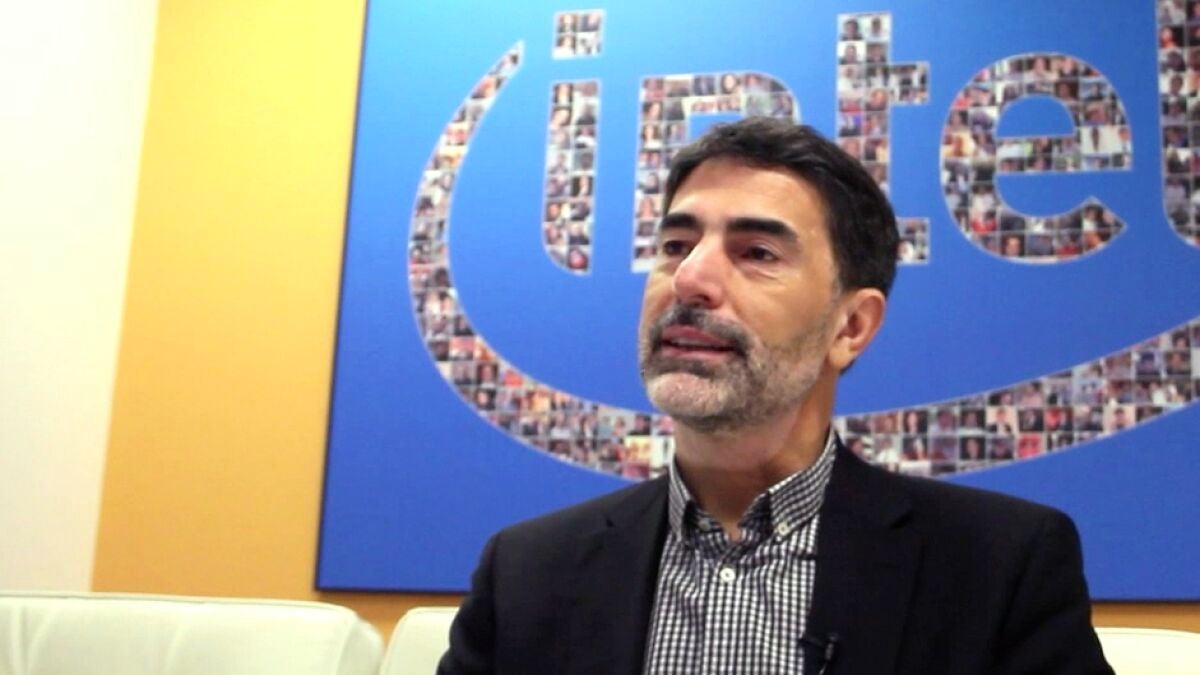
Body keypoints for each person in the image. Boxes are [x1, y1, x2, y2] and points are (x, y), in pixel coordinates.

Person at [439, 118, 1111, 674]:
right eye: (675, 244)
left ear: (850, 327)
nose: (690, 278)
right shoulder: (526, 572)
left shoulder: (997, 566)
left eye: (756, 252)